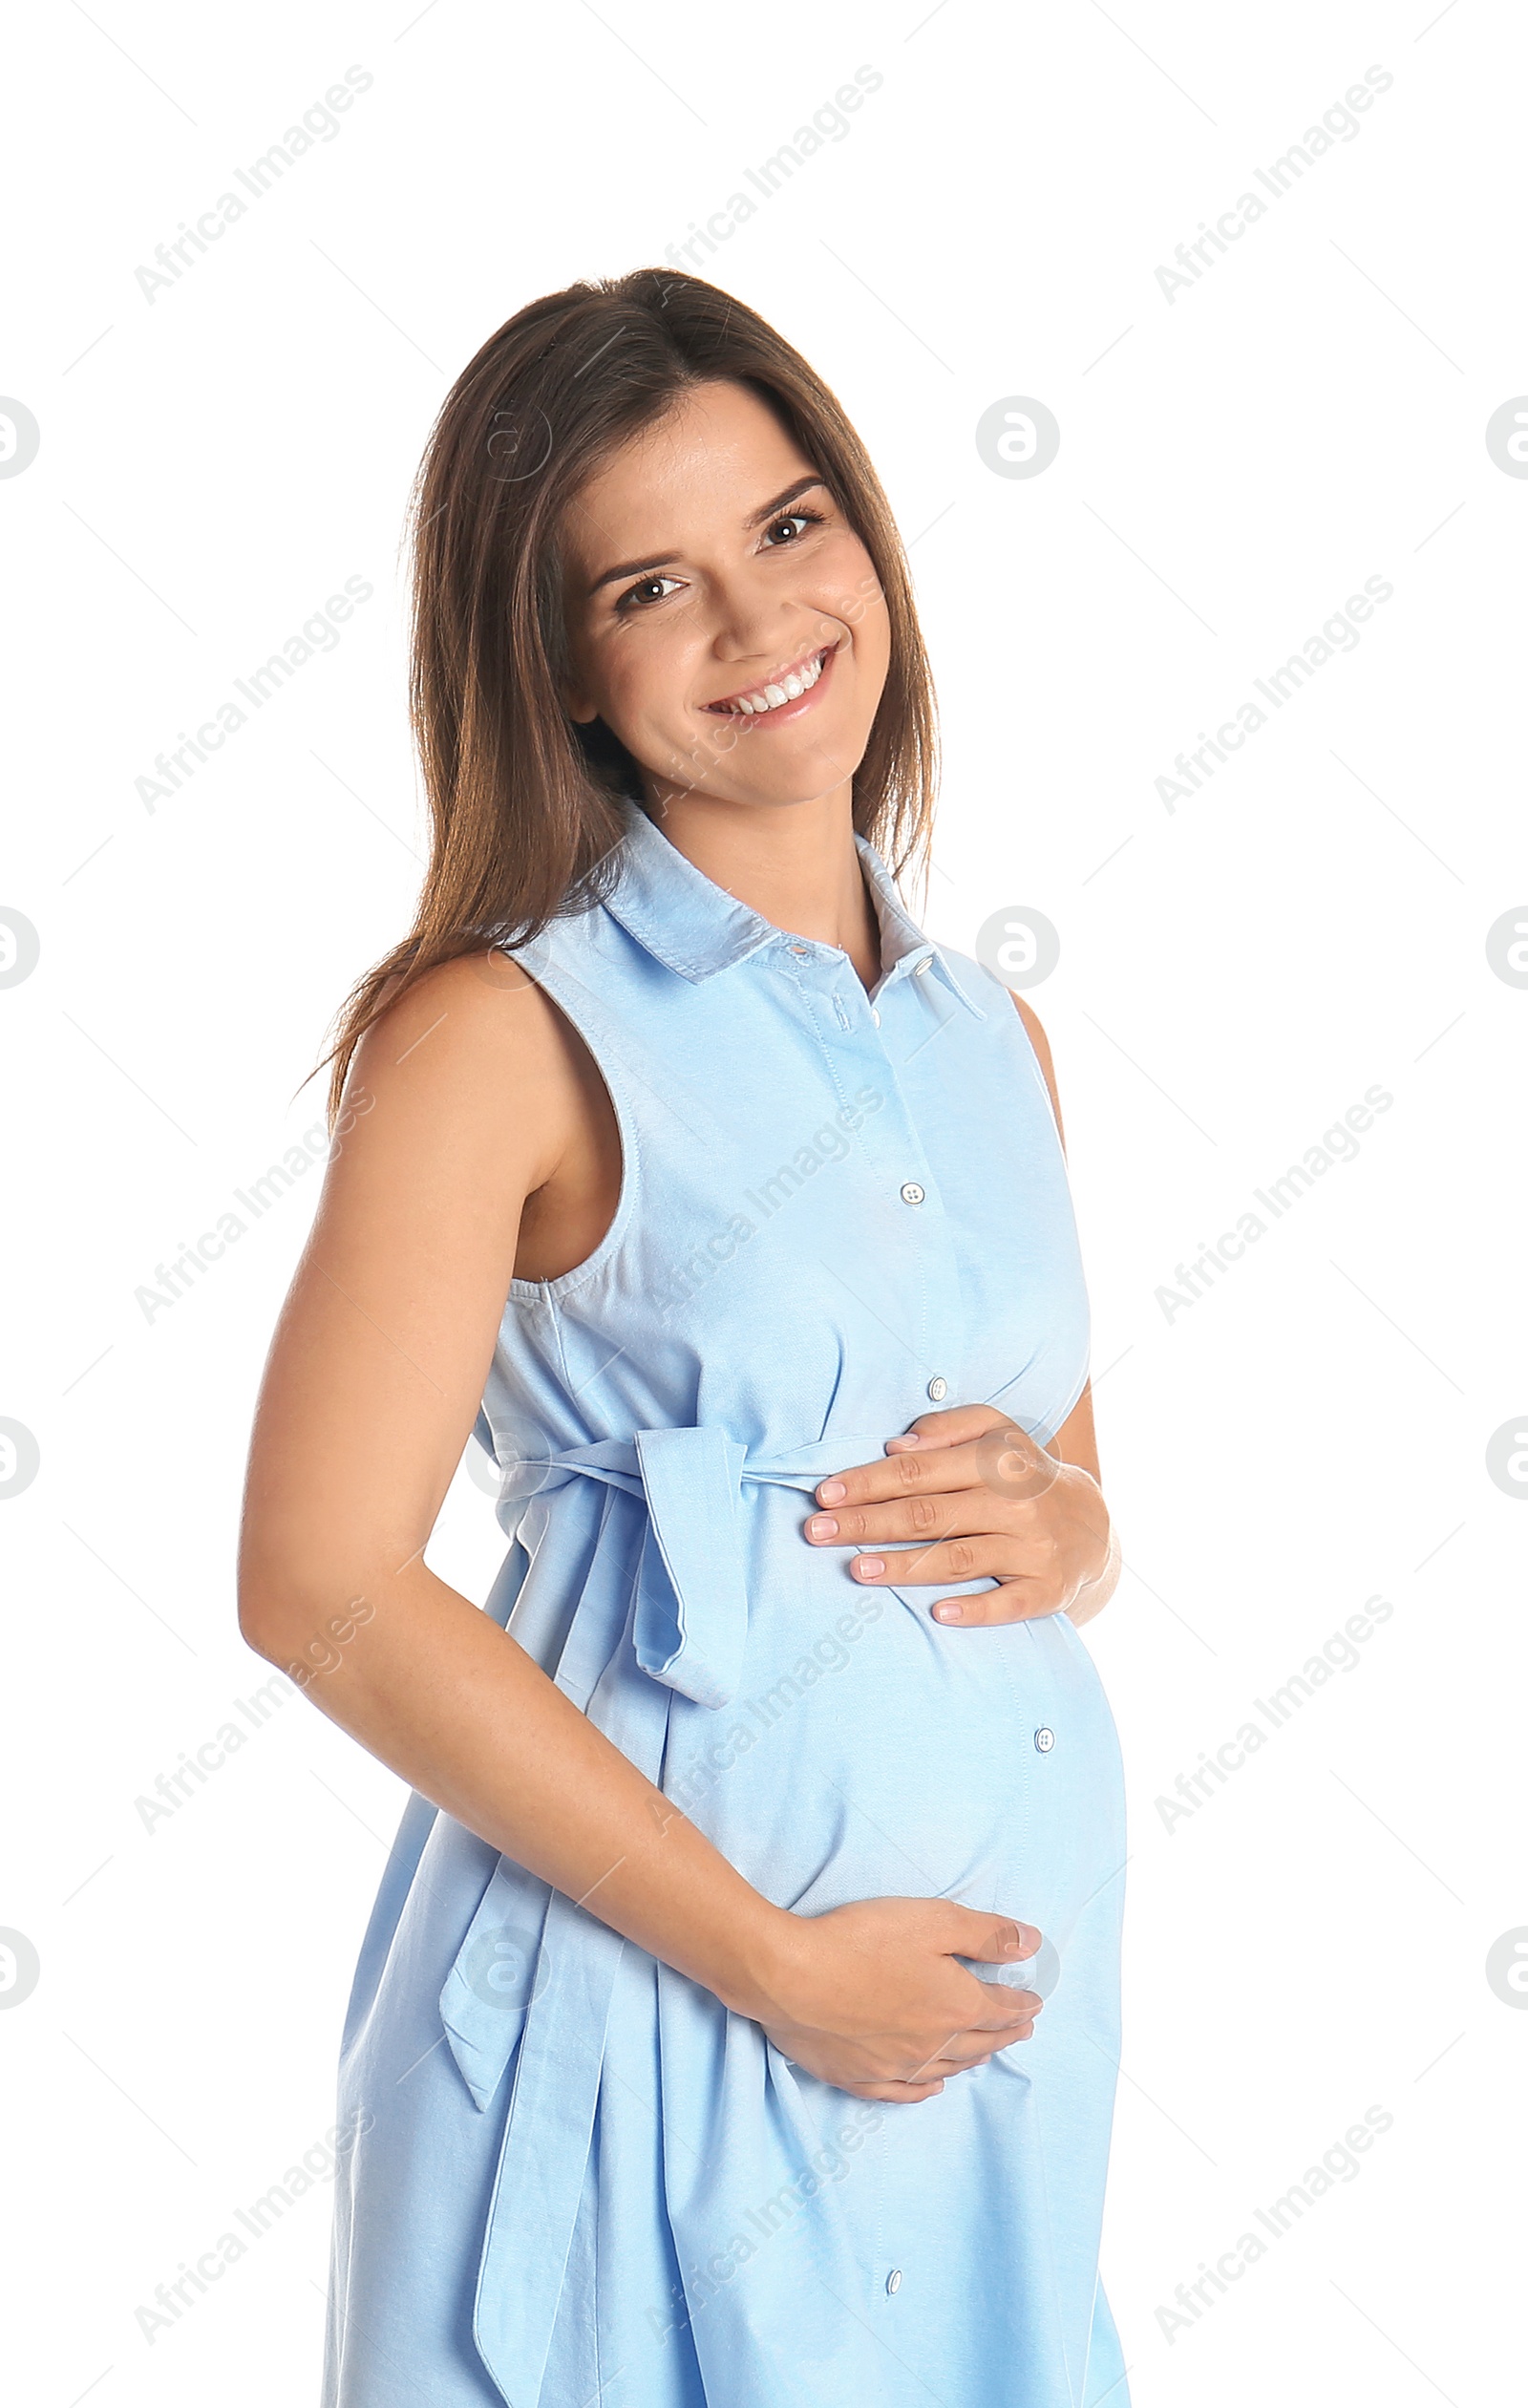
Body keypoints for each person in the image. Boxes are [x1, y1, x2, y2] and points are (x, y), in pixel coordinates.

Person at [238, 267, 1129, 2408]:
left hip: (981, 2079)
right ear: (552, 662)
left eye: (790, 528)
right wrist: (775, 1969)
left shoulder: (983, 1030)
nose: (757, 624)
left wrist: (1064, 1518)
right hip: (661, 2029)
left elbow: (1069, 1496)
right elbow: (319, 1583)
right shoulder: (496, 1031)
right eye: (652, 583)